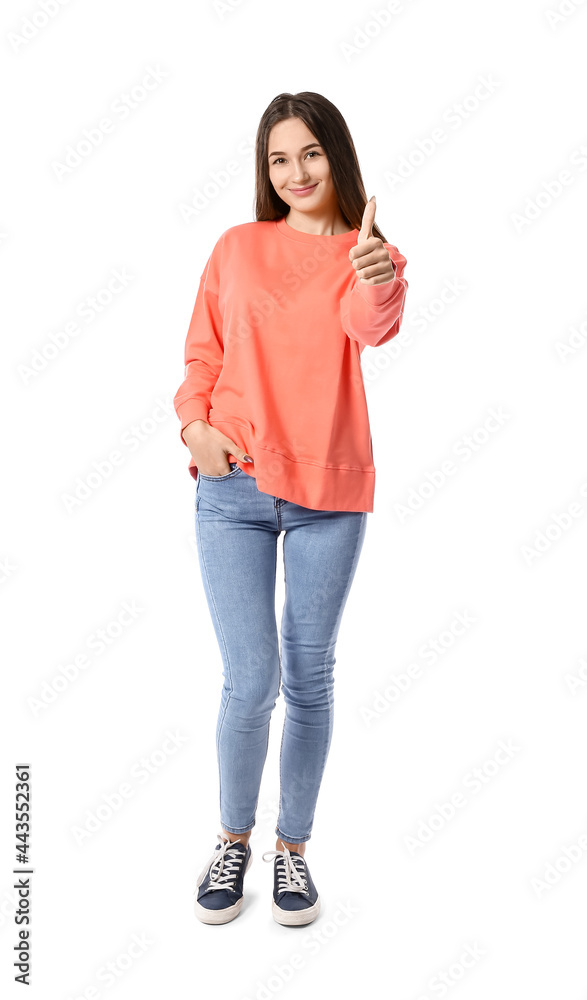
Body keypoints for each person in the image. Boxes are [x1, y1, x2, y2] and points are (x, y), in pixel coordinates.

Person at [174, 91, 408, 926]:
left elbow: (368, 323)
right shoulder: (237, 247)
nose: (296, 171)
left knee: (309, 680)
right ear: (264, 170)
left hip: (328, 496)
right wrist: (193, 426)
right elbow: (203, 348)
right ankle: (232, 838)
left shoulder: (365, 253)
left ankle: (292, 853)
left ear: (335, 156)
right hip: (230, 488)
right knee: (251, 680)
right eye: (279, 158)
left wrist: (377, 272)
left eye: (311, 153)